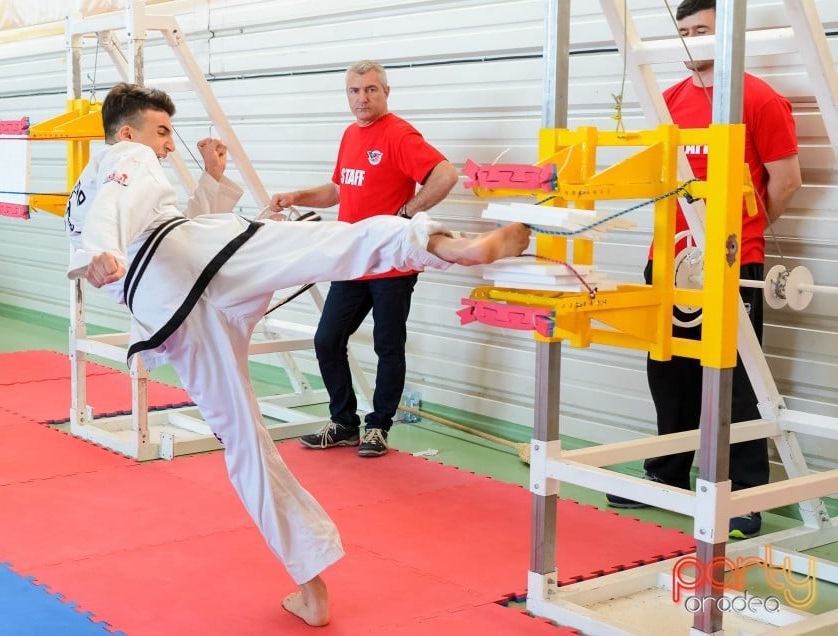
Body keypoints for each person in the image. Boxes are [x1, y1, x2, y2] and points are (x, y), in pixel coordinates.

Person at [65, 83, 532, 626]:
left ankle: (311, 588)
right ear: (127, 132)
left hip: (171, 304)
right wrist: (103, 250)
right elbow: (124, 202)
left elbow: (144, 220)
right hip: (190, 259)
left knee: (245, 443)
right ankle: (438, 244)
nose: (168, 145)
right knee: (325, 244)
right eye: (162, 131)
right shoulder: (127, 156)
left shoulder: (84, 191)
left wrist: (209, 183)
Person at [605, 0, 802, 541]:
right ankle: (666, 473)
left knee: (736, 381)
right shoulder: (666, 102)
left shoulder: (758, 98)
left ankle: (743, 495)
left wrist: (739, 237)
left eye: (703, 31)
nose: (692, 41)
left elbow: (785, 182)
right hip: (669, 262)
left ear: (728, 36)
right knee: (668, 372)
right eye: (684, 31)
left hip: (733, 264)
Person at [269, 60, 459, 458]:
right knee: (327, 340)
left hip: (391, 263)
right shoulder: (350, 135)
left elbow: (445, 174)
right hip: (353, 261)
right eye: (354, 91)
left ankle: (379, 427)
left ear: (386, 92)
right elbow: (339, 189)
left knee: (388, 345)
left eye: (371, 89)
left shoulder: (399, 134)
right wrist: (296, 197)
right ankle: (344, 423)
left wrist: (406, 215)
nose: (362, 98)